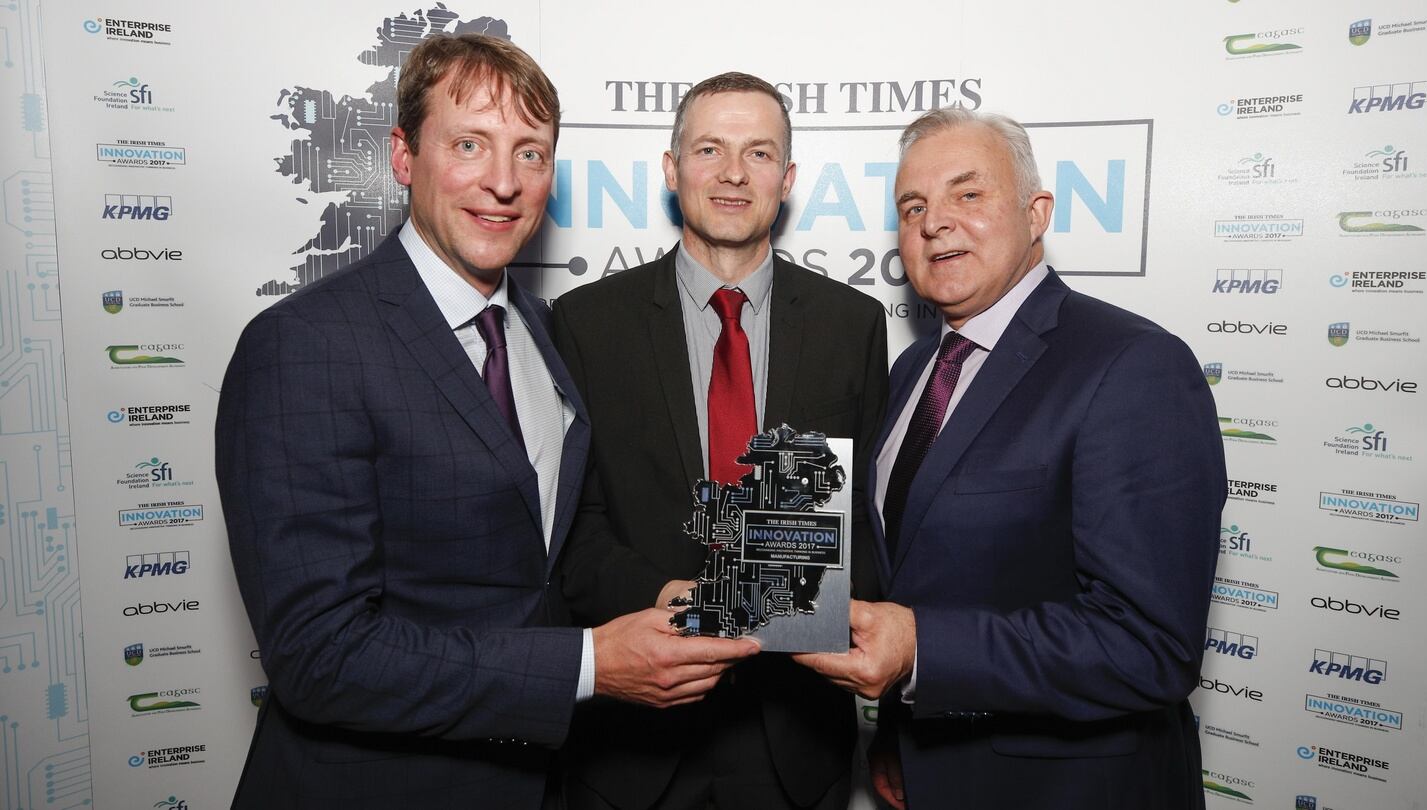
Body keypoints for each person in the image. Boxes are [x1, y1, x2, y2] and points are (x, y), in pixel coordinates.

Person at [216, 35, 757, 810]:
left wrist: (665, 595)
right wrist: (589, 666)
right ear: (403, 155)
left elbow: (537, 562)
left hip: (537, 780)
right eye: (469, 144)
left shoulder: (543, 330)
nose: (503, 182)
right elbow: (318, 656)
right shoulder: (305, 345)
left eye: (530, 153)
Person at [795, 107, 1226, 810]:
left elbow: (1151, 644)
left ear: (1036, 213)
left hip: (1073, 790)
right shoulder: (911, 372)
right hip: (932, 771)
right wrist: (901, 731)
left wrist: (921, 651)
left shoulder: (1134, 365)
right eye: (913, 206)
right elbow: (918, 573)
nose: (935, 222)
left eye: (968, 193)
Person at [552, 72, 888, 810]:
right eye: (710, 149)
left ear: (787, 180)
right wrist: (675, 600)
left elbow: (868, 517)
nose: (734, 172)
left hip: (797, 738)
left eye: (759, 153)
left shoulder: (852, 324)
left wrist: (813, 608)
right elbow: (573, 529)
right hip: (634, 744)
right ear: (672, 170)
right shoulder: (585, 323)